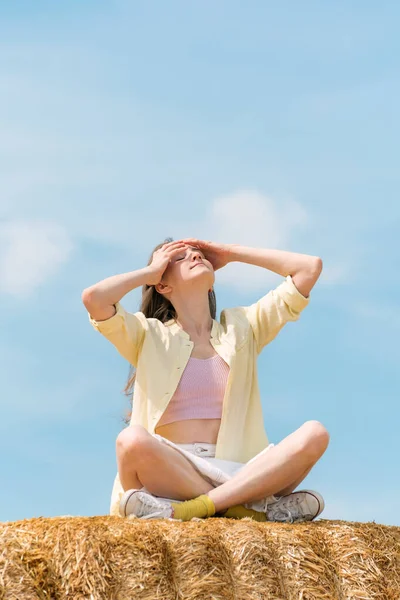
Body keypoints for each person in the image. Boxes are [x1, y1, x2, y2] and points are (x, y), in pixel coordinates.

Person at [82, 237, 329, 523]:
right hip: (174, 471)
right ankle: (243, 507)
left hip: (243, 471)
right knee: (131, 440)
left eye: (199, 254)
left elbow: (309, 268)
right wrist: (149, 273)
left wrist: (232, 253)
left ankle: (200, 508)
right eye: (179, 258)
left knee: (315, 433)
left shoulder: (243, 327)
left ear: (212, 282)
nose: (194, 257)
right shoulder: (146, 334)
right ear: (163, 286)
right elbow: (94, 299)